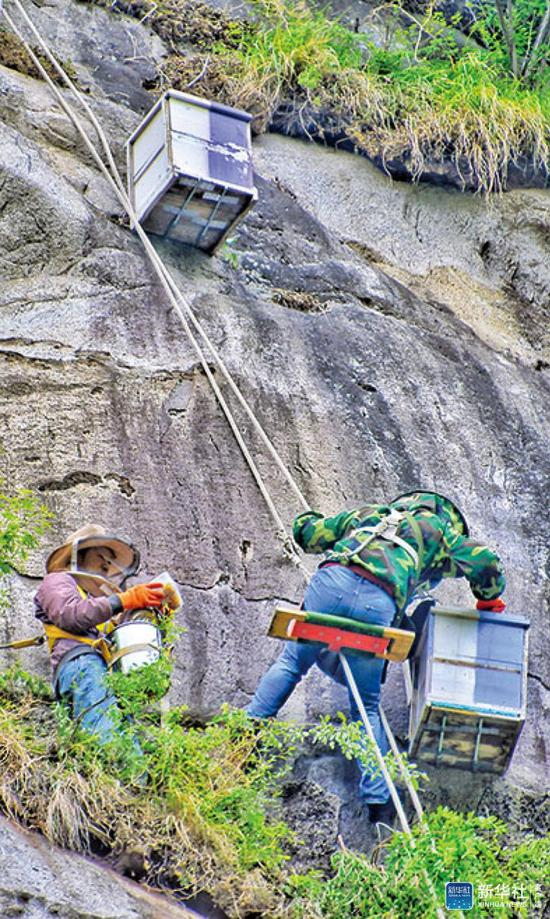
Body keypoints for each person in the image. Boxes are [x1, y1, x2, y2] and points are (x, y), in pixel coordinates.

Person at [246, 491, 506, 823]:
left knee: (292, 663)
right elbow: (485, 563)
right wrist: (488, 600)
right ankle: (379, 803)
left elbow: (307, 533)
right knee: (365, 705)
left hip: (331, 582)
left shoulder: (369, 513)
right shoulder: (438, 531)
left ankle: (245, 730)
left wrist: (306, 517)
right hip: (377, 603)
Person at [35, 524, 166, 745]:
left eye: (110, 560)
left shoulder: (104, 606)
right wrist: (122, 600)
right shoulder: (58, 581)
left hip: (108, 674)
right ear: (79, 555)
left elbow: (125, 637)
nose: (107, 563)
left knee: (129, 744)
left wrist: (151, 613)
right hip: (81, 664)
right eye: (100, 555)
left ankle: (129, 779)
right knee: (106, 738)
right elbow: (69, 614)